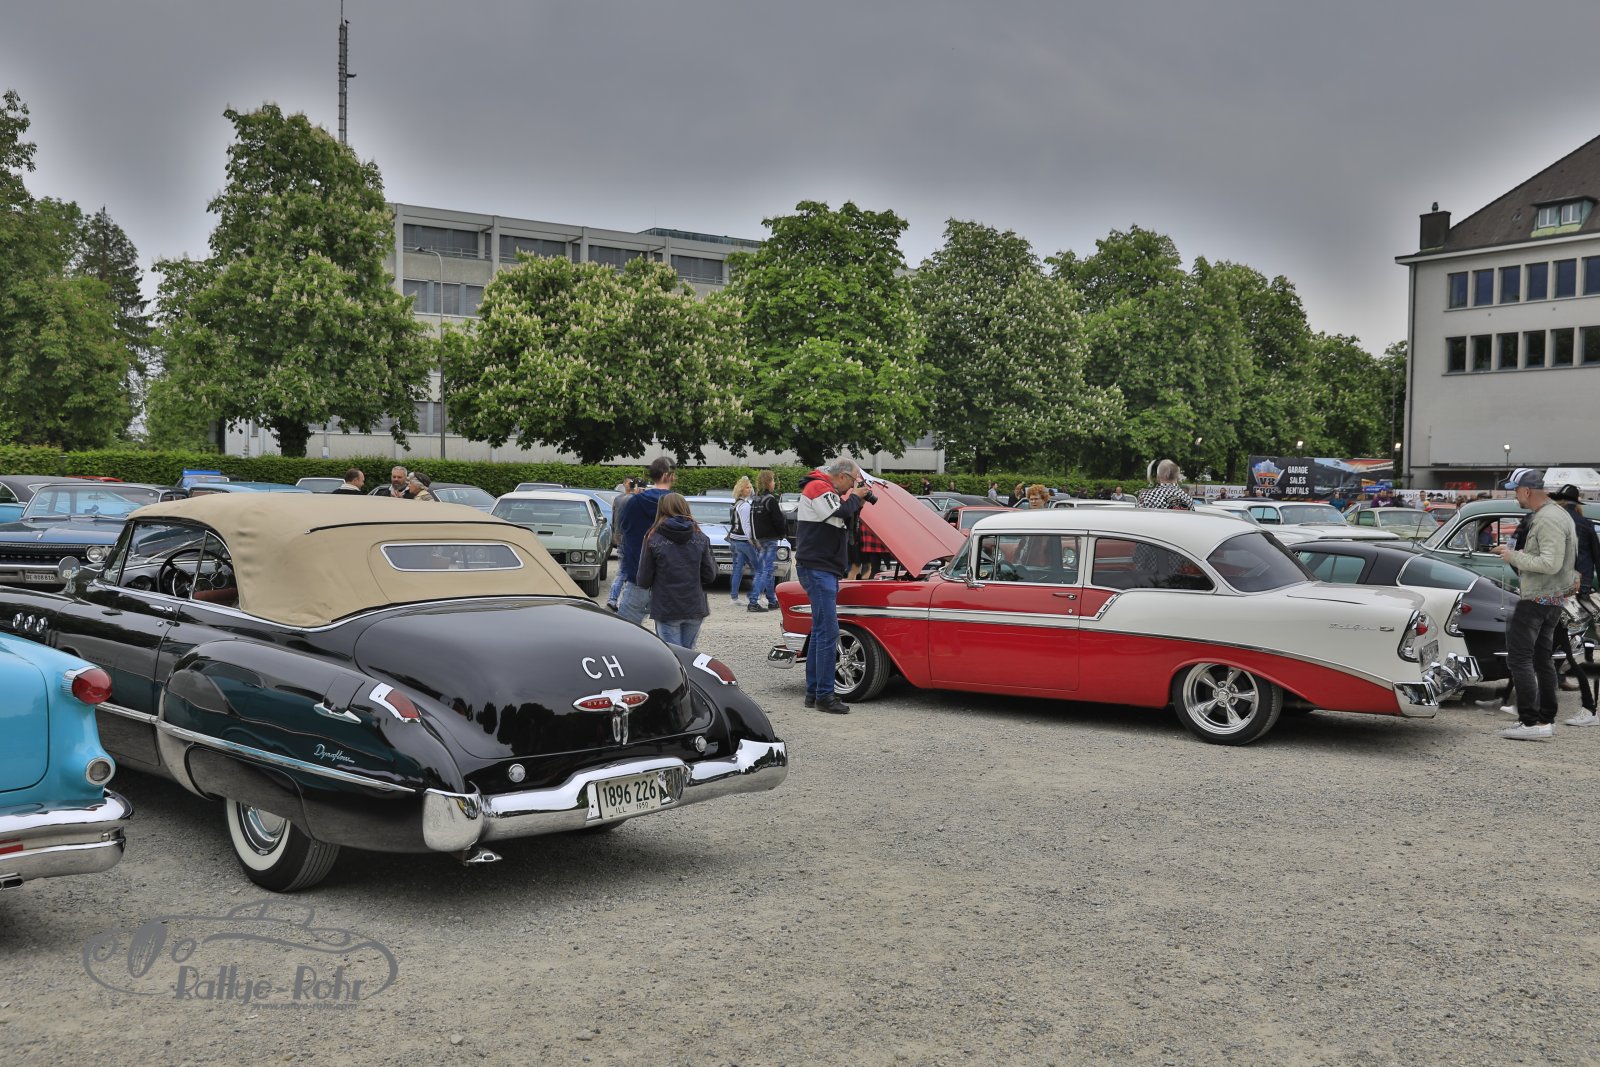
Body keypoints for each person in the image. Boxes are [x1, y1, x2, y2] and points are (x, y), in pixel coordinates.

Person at [1492, 468, 1579, 741]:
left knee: (1520, 658)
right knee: (1542, 659)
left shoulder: (1547, 518)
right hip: (1552, 598)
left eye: (1515, 491)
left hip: (1538, 599)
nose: (1514, 496)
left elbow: (1550, 563)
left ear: (1527, 491)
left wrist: (1512, 556)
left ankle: (1531, 722)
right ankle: (1544, 720)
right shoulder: (1558, 514)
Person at [796, 458, 871, 714]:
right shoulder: (818, 487)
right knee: (829, 632)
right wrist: (855, 498)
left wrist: (857, 502)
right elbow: (836, 512)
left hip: (821, 568)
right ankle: (825, 696)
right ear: (842, 476)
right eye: (853, 480)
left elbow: (844, 518)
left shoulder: (824, 489)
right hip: (818, 568)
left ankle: (814, 692)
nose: (853, 486)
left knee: (820, 632)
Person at [635, 493, 716, 649]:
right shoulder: (700, 536)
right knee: (688, 653)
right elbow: (709, 575)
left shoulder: (653, 537)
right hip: (694, 605)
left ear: (662, 509)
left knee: (672, 655)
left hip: (667, 607)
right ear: (685, 508)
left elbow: (643, 579)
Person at [615, 457, 676, 626]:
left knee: (625, 632)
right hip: (668, 578)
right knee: (670, 636)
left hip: (638, 573)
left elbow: (624, 529)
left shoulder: (634, 502)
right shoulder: (677, 504)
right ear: (669, 476)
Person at [748, 470, 786, 612]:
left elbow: (751, 521)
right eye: (773, 480)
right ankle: (753, 602)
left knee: (767, 570)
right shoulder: (771, 500)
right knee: (765, 571)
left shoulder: (755, 500)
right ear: (769, 482)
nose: (774, 483)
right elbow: (778, 520)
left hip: (759, 540)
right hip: (770, 539)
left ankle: (772, 600)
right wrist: (782, 534)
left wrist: (754, 538)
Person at [605, 479, 644, 611]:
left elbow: (614, 520)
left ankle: (613, 599)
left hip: (620, 538)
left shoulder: (618, 499)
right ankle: (621, 601)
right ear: (637, 487)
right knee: (631, 572)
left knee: (623, 571)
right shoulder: (638, 500)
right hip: (633, 540)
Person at [727, 476, 762, 606]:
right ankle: (756, 596)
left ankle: (734, 597)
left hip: (734, 539)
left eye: (751, 487)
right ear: (741, 490)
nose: (750, 489)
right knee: (759, 569)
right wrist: (753, 540)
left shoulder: (736, 503)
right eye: (747, 487)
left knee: (737, 569)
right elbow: (747, 525)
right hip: (744, 540)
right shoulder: (745, 506)